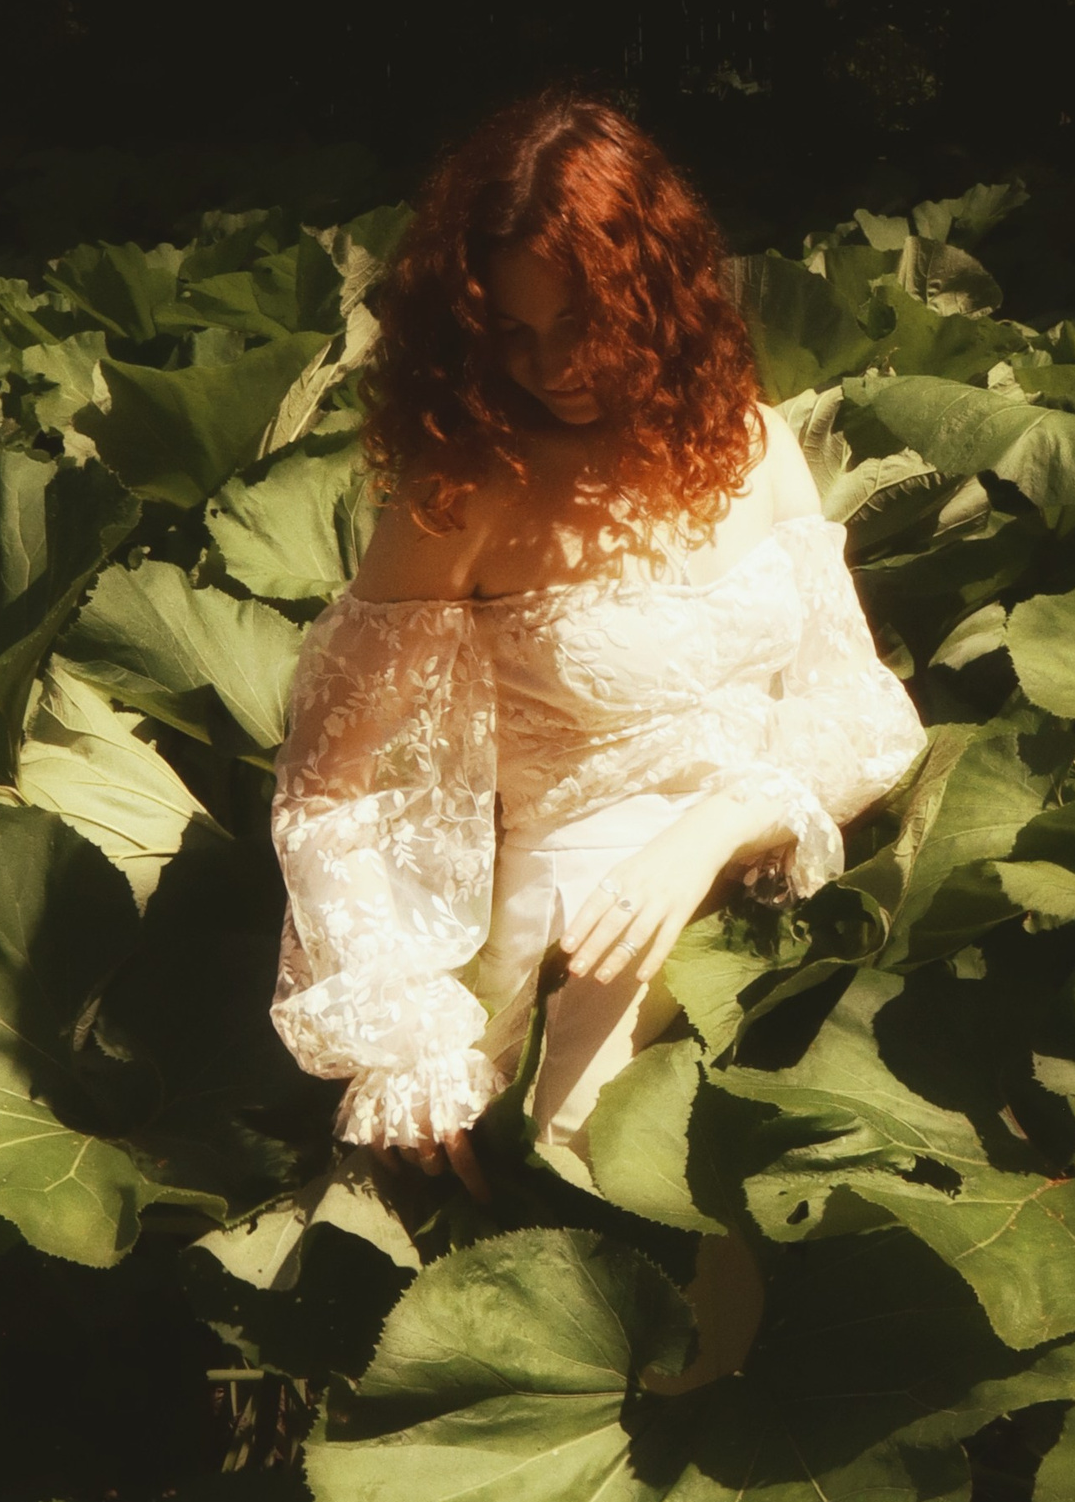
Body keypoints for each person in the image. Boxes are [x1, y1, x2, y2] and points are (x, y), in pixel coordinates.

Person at [268, 92, 924, 1224]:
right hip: (585, 935)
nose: (549, 365)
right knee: (644, 1231)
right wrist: (407, 1037)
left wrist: (719, 822)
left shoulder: (752, 441)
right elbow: (329, 788)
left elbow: (857, 707)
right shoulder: (462, 492)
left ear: (654, 297)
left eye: (580, 322)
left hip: (789, 879)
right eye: (511, 334)